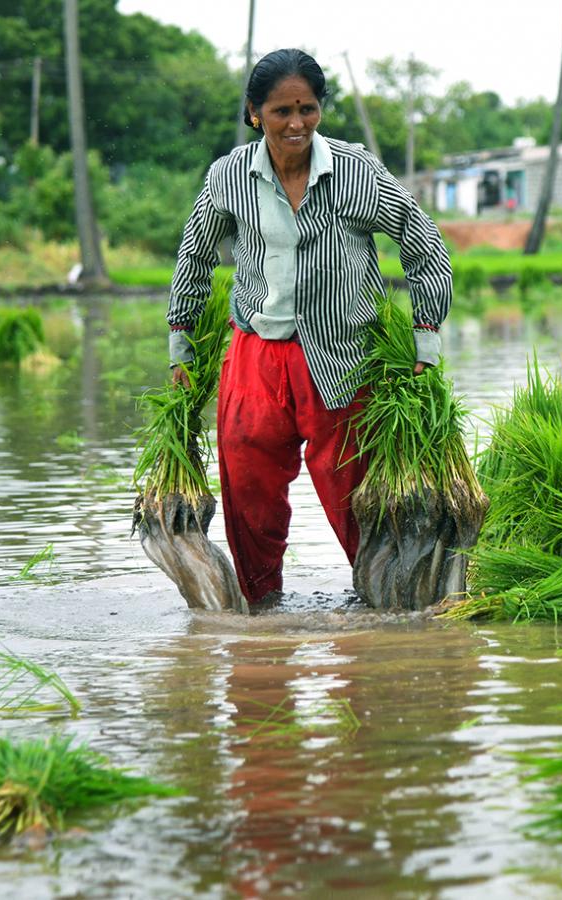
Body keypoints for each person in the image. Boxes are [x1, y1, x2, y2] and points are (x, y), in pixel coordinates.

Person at [166, 48, 453, 607]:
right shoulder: (229, 177)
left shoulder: (356, 170)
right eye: (281, 111)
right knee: (250, 495)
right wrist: (182, 348)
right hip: (256, 357)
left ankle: (384, 612)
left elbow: (422, 240)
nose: (296, 123)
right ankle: (259, 613)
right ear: (255, 114)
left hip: (342, 356)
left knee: (356, 496)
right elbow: (194, 257)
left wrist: (426, 336)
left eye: (307, 109)